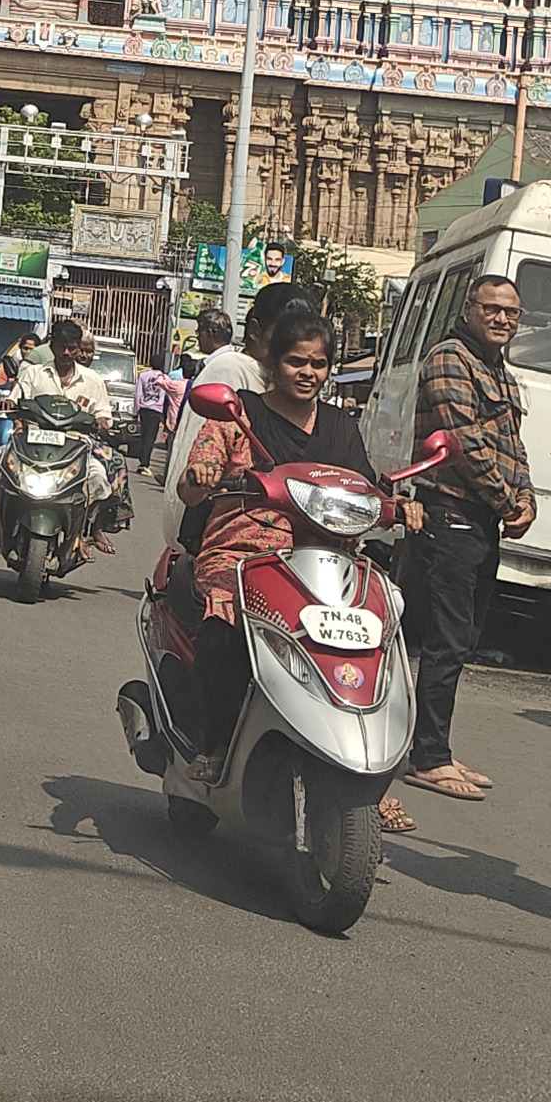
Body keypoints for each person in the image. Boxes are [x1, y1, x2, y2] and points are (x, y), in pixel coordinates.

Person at [178, 293, 413, 826]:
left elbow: (366, 488)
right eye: (296, 361)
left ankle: (370, 774)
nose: (308, 373)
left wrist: (401, 507)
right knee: (225, 622)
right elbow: (194, 483)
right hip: (245, 552)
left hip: (328, 559)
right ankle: (215, 744)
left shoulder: (340, 427)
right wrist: (202, 477)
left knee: (385, 631)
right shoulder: (239, 414)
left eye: (318, 363)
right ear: (272, 362)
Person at [402, 271, 534, 801]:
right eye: (492, 308)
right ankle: (427, 757)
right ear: (469, 309)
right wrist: (508, 500)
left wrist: (527, 499)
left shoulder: (499, 369)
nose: (502, 319)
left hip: (483, 521)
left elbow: (512, 444)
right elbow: (464, 444)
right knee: (446, 641)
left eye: (511, 312)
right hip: (450, 514)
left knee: (462, 642)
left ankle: (434, 747)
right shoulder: (450, 359)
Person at [163, 288, 287, 543]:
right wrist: (202, 475)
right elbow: (201, 461)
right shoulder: (232, 371)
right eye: (284, 336)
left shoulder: (333, 422)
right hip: (232, 531)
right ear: (255, 331)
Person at [133, 359, 174, 468]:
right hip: (157, 410)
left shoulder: (143, 376)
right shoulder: (166, 379)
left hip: (144, 409)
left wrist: (136, 410)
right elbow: (168, 397)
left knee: (144, 434)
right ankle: (144, 461)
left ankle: (142, 457)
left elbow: (138, 394)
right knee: (151, 437)